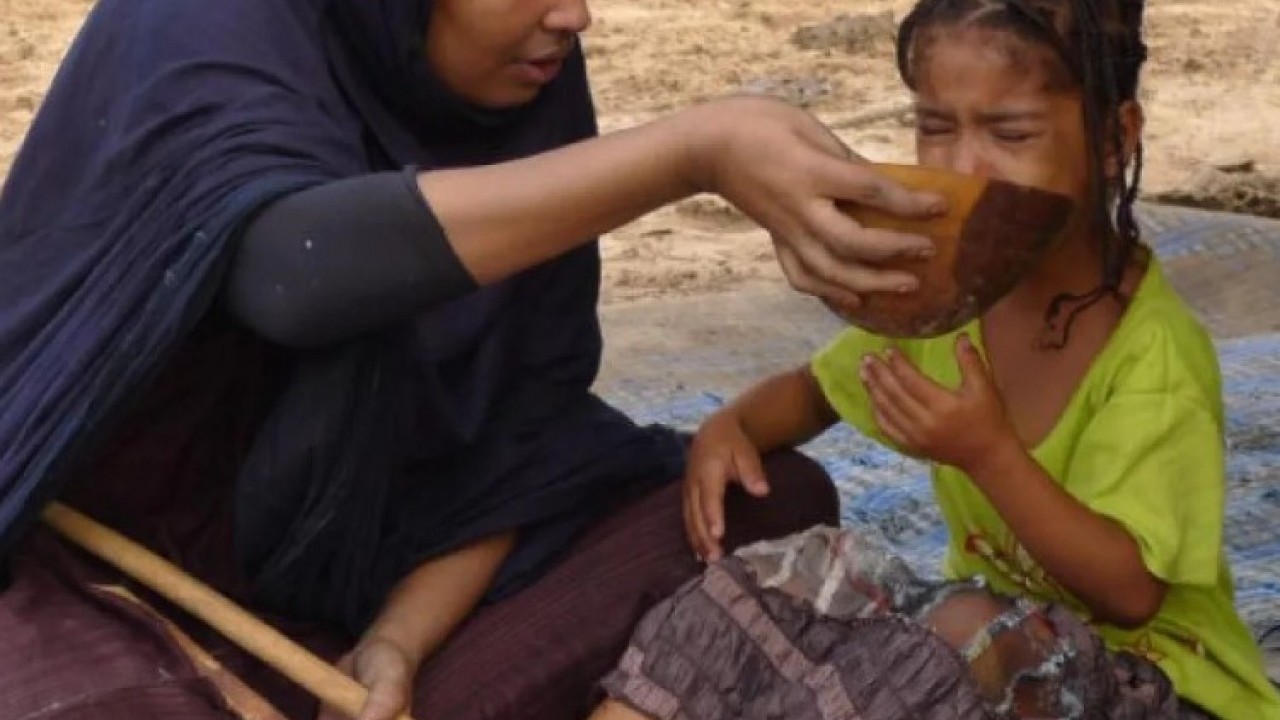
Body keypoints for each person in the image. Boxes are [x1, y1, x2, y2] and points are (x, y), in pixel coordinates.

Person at [0, 0, 951, 719]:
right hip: (89, 564)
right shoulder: (196, 26)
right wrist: (685, 155)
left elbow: (519, 441)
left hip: (367, 572)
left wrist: (395, 647)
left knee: (757, 505)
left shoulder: (524, 79)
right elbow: (294, 274)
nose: (573, 15)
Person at [592, 0, 1280, 718]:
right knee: (781, 585)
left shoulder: (1154, 355)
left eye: (1010, 132)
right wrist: (734, 426)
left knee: (952, 637)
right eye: (935, 128)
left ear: (1114, 140)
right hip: (980, 661)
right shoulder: (954, 298)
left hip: (1155, 685)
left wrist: (990, 455)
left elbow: (1131, 593)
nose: (964, 166)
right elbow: (818, 390)